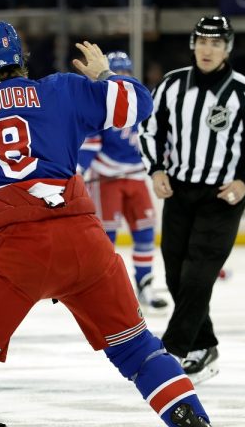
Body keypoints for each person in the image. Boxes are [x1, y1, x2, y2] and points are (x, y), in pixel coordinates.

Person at [0, 21, 212, 427]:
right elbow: (139, 105)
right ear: (21, 61)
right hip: (84, 243)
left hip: (15, 252)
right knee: (138, 350)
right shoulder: (61, 88)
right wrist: (104, 74)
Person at [138, 15, 245, 384]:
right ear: (193, 44)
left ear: (228, 48)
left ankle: (171, 352)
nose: (208, 49)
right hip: (179, 191)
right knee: (175, 274)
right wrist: (156, 168)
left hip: (222, 197)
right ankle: (204, 347)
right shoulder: (172, 85)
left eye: (216, 43)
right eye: (202, 41)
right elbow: (149, 128)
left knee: (198, 274)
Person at [77, 51, 167, 310]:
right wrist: (81, 172)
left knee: (145, 233)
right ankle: (106, 290)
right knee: (107, 240)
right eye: (119, 71)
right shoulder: (99, 105)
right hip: (107, 179)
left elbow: (156, 138)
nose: (123, 76)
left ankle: (145, 285)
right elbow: (89, 146)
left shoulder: (141, 102)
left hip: (137, 177)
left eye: (126, 71)